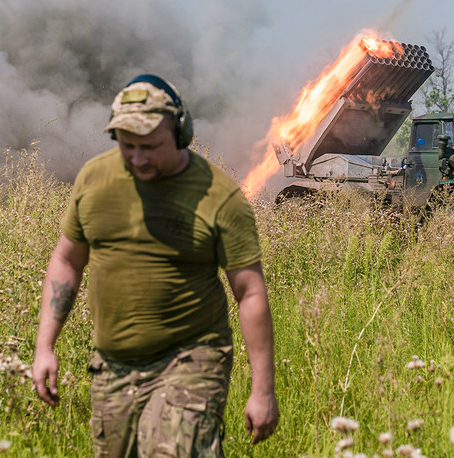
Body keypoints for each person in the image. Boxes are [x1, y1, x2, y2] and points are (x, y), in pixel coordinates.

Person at [33, 74, 279, 457]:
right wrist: (45, 344)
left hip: (191, 359)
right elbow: (67, 260)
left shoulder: (219, 196)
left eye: (150, 146)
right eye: (127, 146)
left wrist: (263, 390)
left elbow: (249, 292)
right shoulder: (94, 179)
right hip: (113, 366)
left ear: (181, 133)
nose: (137, 158)